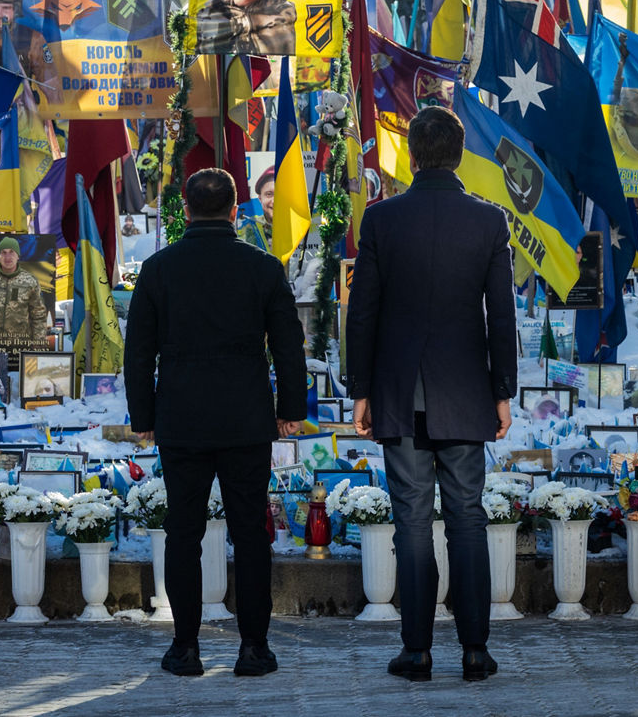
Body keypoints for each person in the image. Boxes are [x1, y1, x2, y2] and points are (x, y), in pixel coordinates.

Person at [346, 106, 516, 683]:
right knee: (467, 519)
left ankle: (416, 650)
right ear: (460, 154)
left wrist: (360, 389)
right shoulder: (490, 222)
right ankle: (476, 651)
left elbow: (361, 312)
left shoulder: (382, 219)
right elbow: (503, 318)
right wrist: (504, 391)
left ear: (412, 156)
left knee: (412, 523)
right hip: (466, 393)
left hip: (399, 393)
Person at [125, 168, 306, 678]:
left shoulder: (159, 270)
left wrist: (143, 416)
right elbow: (289, 345)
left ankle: (185, 648)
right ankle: (253, 648)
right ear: (234, 211)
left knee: (184, 531)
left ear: (185, 211)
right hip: (246, 417)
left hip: (181, 418)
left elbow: (138, 352)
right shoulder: (263, 268)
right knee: (250, 532)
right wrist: (291, 408)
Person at [0, 237, 49, 349]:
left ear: (18, 256)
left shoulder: (30, 281)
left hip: (21, 346)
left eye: (12, 252)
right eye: (4, 252)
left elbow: (38, 315)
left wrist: (38, 344)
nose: (8, 257)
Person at [239, 168, 275, 251]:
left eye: (280, 194)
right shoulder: (251, 229)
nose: (274, 201)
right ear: (260, 199)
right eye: (269, 194)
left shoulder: (300, 227)